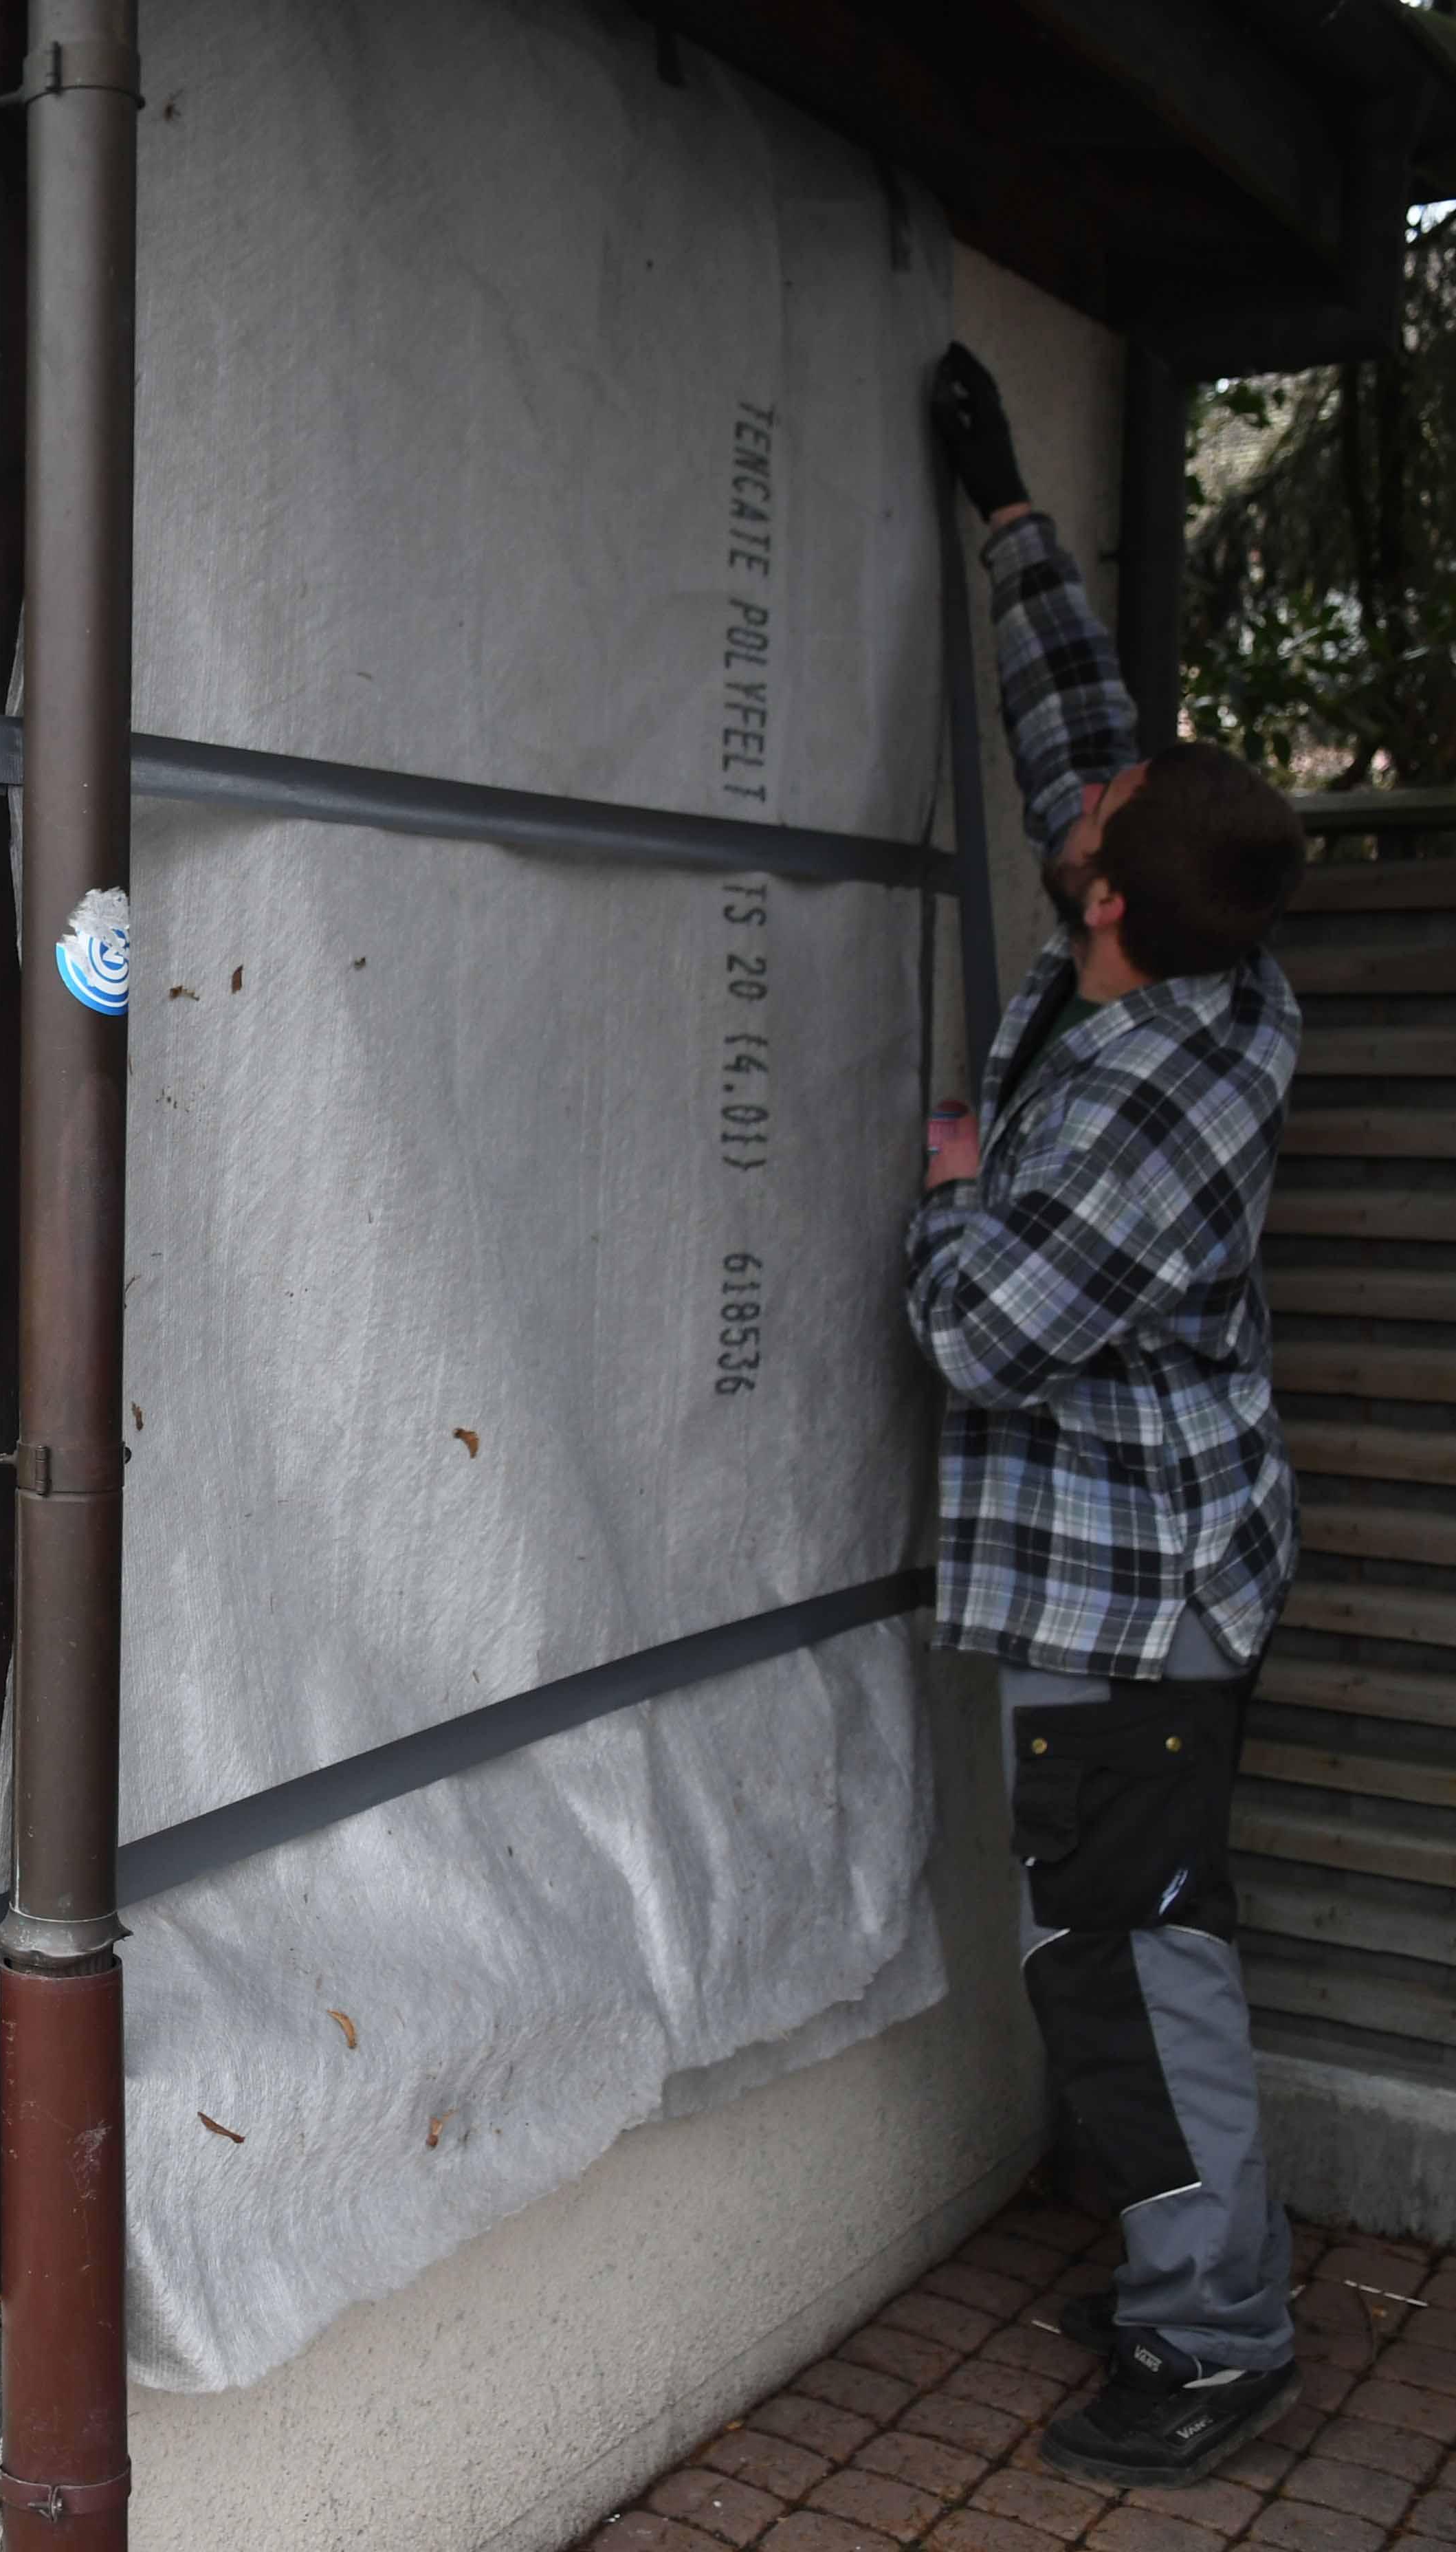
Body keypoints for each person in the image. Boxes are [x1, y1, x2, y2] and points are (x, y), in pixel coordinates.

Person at [908, 343, 1308, 2489]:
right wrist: (1004, 512)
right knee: (1145, 1952)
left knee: (1129, 1973)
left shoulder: (1144, 1108)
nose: (1084, 798)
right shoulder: (1205, 945)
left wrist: (950, 1192)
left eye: (1095, 832)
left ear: (1108, 907)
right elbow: (1084, 728)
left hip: (1127, 1608)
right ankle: (1201, 2252)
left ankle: (1216, 2331)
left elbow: (980, 1338)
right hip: (1176, 1571)